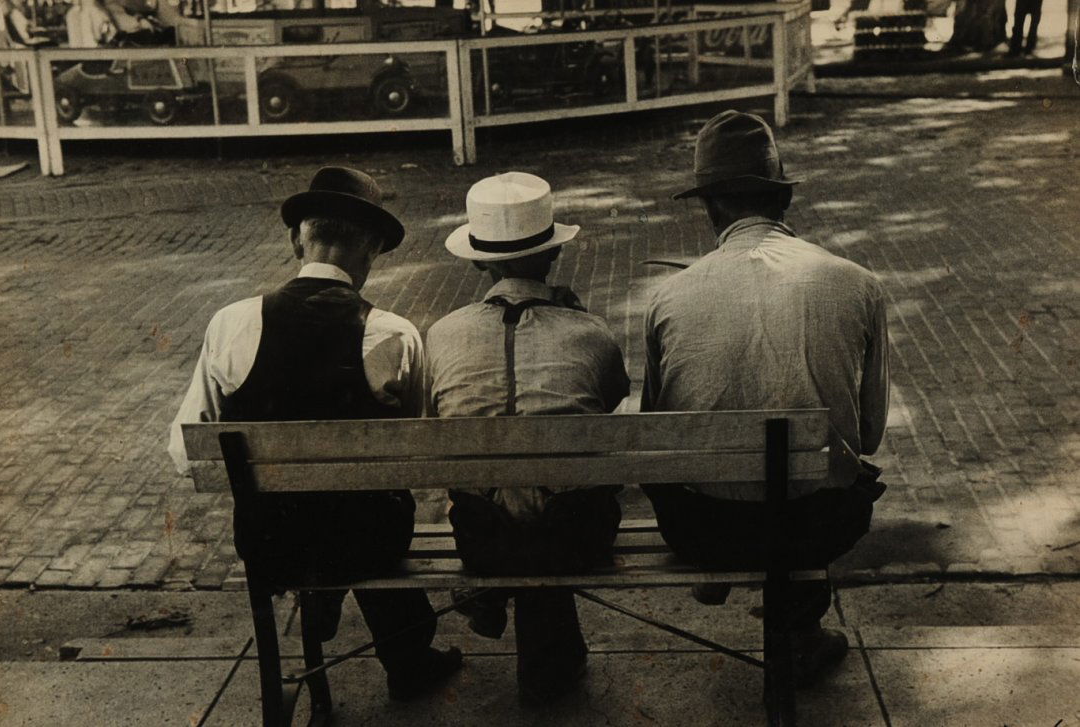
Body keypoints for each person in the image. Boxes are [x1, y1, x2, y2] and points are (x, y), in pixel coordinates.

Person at [168, 166, 462, 701]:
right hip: (369, 540)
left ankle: (323, 612)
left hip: (272, 542)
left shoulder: (230, 324)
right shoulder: (394, 334)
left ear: (295, 240)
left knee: (321, 520)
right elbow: (417, 452)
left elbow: (186, 450)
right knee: (367, 510)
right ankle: (408, 657)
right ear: (371, 250)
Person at [641, 111, 889, 686]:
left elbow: (658, 435)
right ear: (782, 198)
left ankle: (724, 577)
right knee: (834, 476)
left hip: (705, 529)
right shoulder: (857, 282)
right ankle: (800, 633)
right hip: (814, 526)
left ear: (710, 205)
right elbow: (869, 434)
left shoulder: (668, 297)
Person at [426, 172, 630, 705]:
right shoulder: (592, 334)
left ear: (477, 261)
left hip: (482, 539)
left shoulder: (442, 334)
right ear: (552, 257)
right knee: (559, 495)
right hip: (575, 538)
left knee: (507, 497)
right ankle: (548, 670)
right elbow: (609, 401)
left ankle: (492, 595)